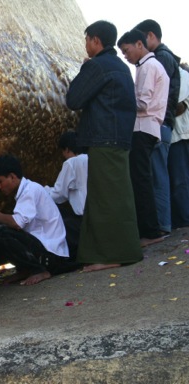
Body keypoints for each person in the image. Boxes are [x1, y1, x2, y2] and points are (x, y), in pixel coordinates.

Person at [66, 20, 143, 272]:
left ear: (96, 40)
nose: (86, 45)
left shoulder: (97, 66)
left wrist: (83, 70)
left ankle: (111, 255)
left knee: (104, 199)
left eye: (87, 40)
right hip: (120, 139)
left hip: (103, 139)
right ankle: (124, 250)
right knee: (118, 197)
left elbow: (73, 99)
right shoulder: (121, 67)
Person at [0, 154, 79, 286]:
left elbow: (17, 223)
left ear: (12, 176)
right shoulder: (24, 191)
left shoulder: (30, 190)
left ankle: (39, 270)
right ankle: (25, 268)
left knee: (1, 231)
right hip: (43, 248)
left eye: (0, 181)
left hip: (51, 255)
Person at [118, 29, 170, 246]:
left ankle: (150, 232)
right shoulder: (152, 65)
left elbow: (142, 103)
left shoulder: (148, 67)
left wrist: (120, 99)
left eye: (126, 51)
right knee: (144, 179)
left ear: (139, 44)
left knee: (141, 181)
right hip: (149, 128)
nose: (126, 56)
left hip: (142, 127)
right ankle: (151, 229)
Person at [134, 19, 181, 235]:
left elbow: (150, 99)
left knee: (157, 177)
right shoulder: (167, 58)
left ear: (150, 36)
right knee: (159, 176)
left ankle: (162, 225)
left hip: (157, 123)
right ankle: (163, 223)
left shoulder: (158, 60)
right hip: (164, 123)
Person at [43, 130, 88, 258]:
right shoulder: (90, 158)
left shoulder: (71, 163)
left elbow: (58, 194)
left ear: (67, 149)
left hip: (83, 219)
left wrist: (43, 190)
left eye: (63, 152)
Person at [170, 64, 189, 229]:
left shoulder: (181, 76)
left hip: (181, 135)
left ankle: (185, 218)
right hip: (180, 135)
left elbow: (178, 106)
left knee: (180, 180)